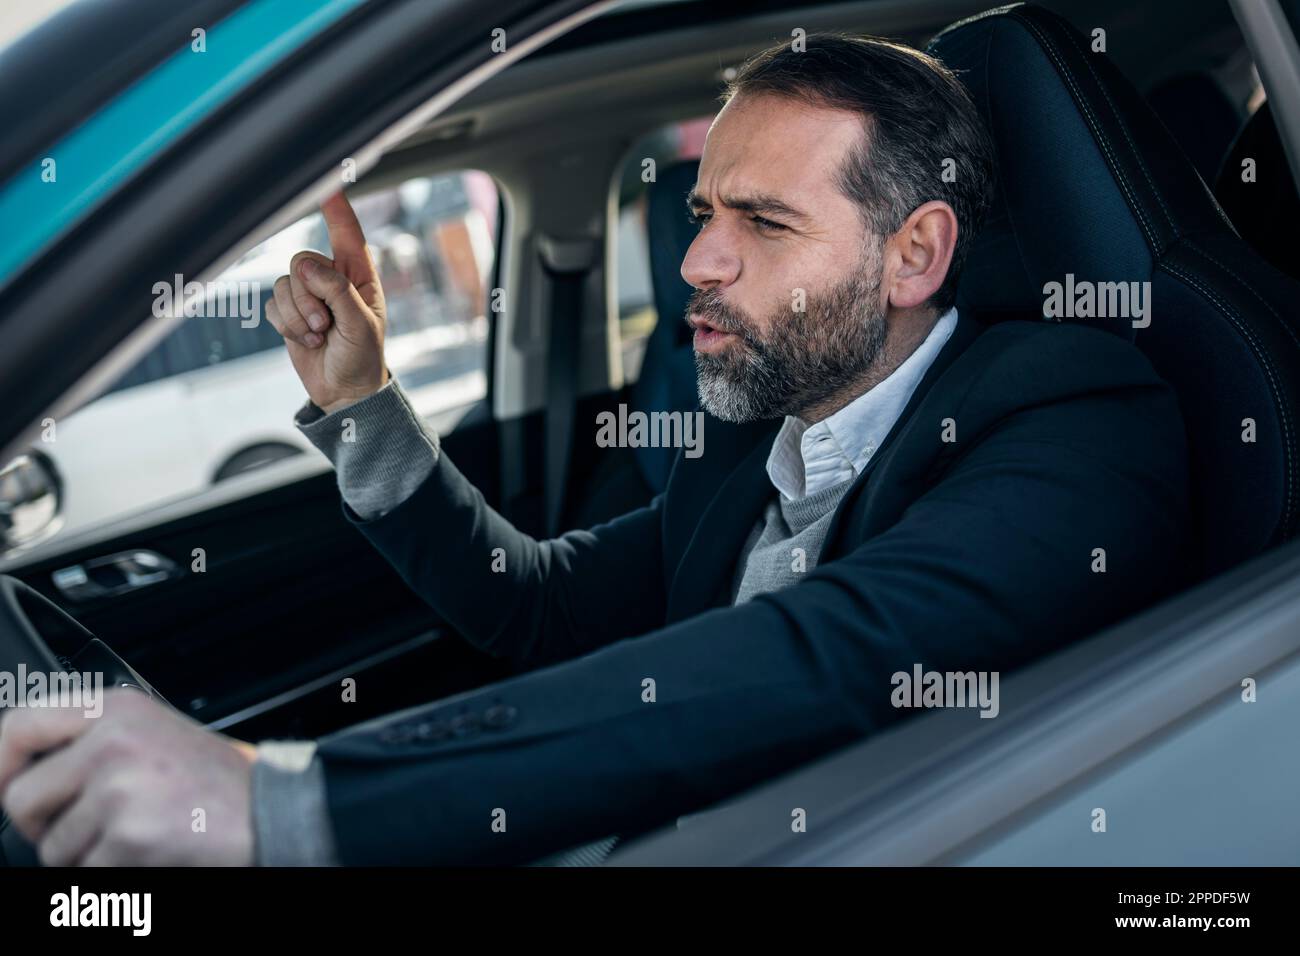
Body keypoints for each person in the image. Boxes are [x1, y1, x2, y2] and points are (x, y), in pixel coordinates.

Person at [0, 34, 1189, 866]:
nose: (696, 265)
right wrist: (366, 405)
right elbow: (543, 602)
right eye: (702, 213)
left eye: (763, 222)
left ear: (915, 255)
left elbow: (827, 650)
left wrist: (281, 802)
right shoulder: (749, 442)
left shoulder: (1075, 416)